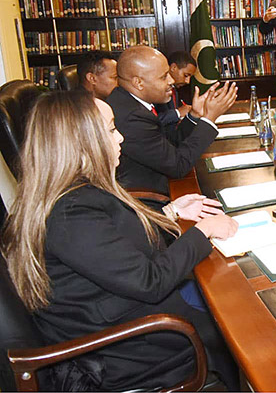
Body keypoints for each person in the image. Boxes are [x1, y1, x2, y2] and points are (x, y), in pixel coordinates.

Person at [0, 90, 240, 391]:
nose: (121, 138)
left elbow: (114, 242)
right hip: (132, 351)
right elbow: (149, 282)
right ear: (82, 141)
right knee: (238, 322)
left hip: (121, 319)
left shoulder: (73, 194)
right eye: (112, 129)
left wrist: (171, 211)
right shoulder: (70, 215)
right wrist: (203, 231)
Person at [106, 46, 237, 197]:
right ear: (139, 83)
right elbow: (178, 167)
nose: (172, 80)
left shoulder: (131, 101)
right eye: (164, 77)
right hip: (149, 198)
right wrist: (209, 119)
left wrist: (194, 115)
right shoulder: (131, 116)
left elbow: (170, 143)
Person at [156, 50, 197, 127]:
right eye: (186, 75)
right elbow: (152, 121)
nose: (187, 81)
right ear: (173, 67)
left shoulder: (175, 91)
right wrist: (177, 113)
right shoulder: (156, 91)